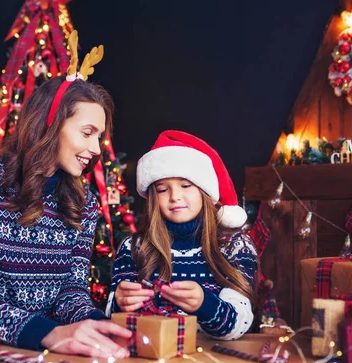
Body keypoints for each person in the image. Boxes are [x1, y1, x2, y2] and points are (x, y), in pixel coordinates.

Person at [0, 32, 131, 358]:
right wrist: (49, 334)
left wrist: (98, 327)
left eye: (99, 137)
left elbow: (71, 294)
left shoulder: (84, 203)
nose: (94, 148)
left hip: (52, 357)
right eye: (87, 133)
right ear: (49, 124)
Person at [107, 130, 257, 340]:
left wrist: (204, 304)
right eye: (162, 190)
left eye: (185, 186)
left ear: (204, 191)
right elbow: (113, 316)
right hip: (148, 359)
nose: (175, 197)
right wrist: (119, 303)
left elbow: (240, 324)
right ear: (152, 197)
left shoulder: (234, 245)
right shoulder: (133, 247)